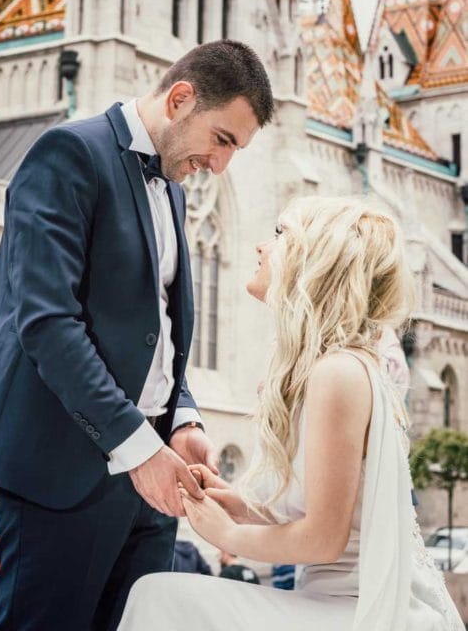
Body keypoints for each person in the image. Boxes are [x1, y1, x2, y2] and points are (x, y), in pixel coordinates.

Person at [0, 40, 274, 631]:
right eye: (222, 140)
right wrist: (138, 446)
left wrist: (183, 418)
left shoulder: (171, 182)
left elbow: (158, 328)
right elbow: (45, 323)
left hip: (155, 482)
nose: (221, 166)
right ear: (180, 98)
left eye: (235, 151)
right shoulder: (67, 154)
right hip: (61, 471)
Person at [117, 197, 464, 631]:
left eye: (280, 234)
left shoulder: (338, 372)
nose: (262, 247)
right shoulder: (330, 368)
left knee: (159, 596)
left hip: (361, 609)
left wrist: (225, 535)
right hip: (329, 599)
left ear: (314, 261)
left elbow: (323, 537)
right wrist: (229, 502)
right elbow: (319, 509)